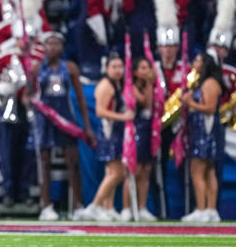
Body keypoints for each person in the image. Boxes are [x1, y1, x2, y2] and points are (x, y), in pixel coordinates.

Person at [31, 32, 95, 221]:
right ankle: (46, 205)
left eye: (56, 44)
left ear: (62, 47)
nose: (52, 47)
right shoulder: (36, 69)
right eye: (49, 44)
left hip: (66, 118)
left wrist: (87, 126)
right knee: (44, 163)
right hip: (45, 120)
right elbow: (28, 95)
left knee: (73, 162)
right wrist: (35, 106)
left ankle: (77, 205)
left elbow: (81, 98)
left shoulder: (70, 68)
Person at [83, 53, 135, 221]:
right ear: (106, 69)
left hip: (115, 131)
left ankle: (108, 206)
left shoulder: (117, 84)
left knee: (111, 172)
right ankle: (95, 205)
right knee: (118, 173)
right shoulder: (106, 85)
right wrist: (124, 117)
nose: (118, 70)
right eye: (114, 67)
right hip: (109, 131)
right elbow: (100, 111)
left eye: (120, 67)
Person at [181, 52, 225, 222]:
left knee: (198, 169)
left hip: (206, 130)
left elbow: (210, 108)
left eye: (197, 60)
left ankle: (202, 209)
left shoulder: (209, 83)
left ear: (205, 63)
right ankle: (210, 209)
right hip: (204, 129)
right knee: (208, 170)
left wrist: (190, 102)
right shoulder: (204, 81)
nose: (194, 62)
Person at [120, 57, 158, 222]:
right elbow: (145, 102)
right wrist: (150, 83)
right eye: (142, 68)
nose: (146, 71)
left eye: (148, 68)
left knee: (146, 170)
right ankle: (126, 208)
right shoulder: (130, 86)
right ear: (135, 72)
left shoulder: (150, 86)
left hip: (148, 128)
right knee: (133, 170)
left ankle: (142, 207)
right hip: (135, 128)